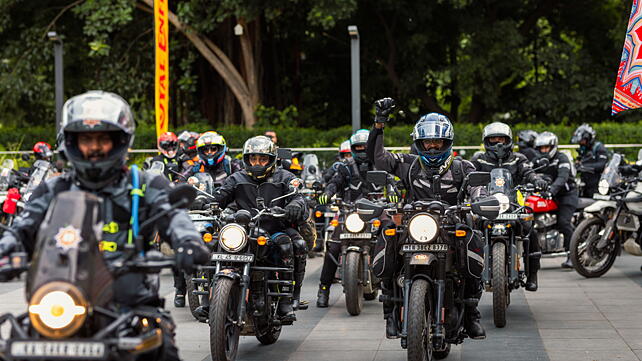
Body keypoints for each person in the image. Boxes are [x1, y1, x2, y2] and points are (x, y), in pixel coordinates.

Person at [0, 90, 209, 360]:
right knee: (17, 341)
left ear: (119, 141)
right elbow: (23, 228)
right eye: (86, 139)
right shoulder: (54, 189)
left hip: (130, 304)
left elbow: (173, 215)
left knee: (159, 344)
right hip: (60, 298)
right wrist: (7, 248)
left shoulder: (144, 184)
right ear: (73, 142)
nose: (94, 147)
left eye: (103, 139)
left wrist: (188, 242)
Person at [367, 98, 487, 340]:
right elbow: (377, 158)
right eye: (427, 142)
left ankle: (472, 314)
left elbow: (478, 191)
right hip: (415, 226)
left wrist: (479, 201)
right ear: (419, 143)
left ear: (447, 142)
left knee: (474, 237)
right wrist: (379, 124)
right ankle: (390, 311)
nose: (432, 147)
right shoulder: (408, 164)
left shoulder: (463, 167)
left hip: (451, 225)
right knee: (387, 235)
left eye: (437, 142)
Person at [212, 135, 308, 320]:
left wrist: (294, 206)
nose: (257, 163)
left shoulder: (285, 177)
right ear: (246, 159)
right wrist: (203, 201)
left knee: (292, 244)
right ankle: (210, 300)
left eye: (262, 159)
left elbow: (297, 197)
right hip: (243, 231)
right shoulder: (236, 178)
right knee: (212, 243)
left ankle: (288, 298)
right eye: (253, 158)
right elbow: (220, 196)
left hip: (274, 228)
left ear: (271, 160)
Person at [315, 130, 395, 308]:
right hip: (350, 211)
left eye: (364, 147)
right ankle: (323, 289)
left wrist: (392, 193)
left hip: (376, 210)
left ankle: (392, 288)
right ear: (352, 149)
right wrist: (327, 194)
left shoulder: (380, 165)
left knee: (391, 233)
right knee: (333, 246)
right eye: (357, 148)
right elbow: (334, 183)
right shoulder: (345, 167)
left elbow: (391, 182)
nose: (361, 150)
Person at [470, 122, 548, 291]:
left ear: (509, 141)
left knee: (530, 230)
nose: (498, 144)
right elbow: (468, 176)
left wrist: (537, 181)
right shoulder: (478, 159)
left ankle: (532, 274)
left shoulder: (518, 159)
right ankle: (469, 277)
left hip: (512, 205)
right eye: (493, 139)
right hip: (486, 206)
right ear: (486, 141)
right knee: (468, 232)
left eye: (502, 139)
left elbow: (528, 172)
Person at [533, 131, 579, 269]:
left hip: (567, 194)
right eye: (541, 148)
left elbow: (562, 177)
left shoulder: (562, 158)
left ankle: (573, 256)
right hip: (547, 196)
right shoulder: (538, 161)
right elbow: (529, 173)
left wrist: (552, 190)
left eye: (546, 147)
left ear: (553, 146)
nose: (544, 150)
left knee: (563, 223)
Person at [571, 124, 609, 197]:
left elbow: (601, 165)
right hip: (585, 181)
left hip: (597, 183)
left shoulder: (599, 148)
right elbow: (580, 161)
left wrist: (583, 166)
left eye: (583, 141)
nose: (581, 143)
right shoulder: (584, 149)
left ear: (588, 138)